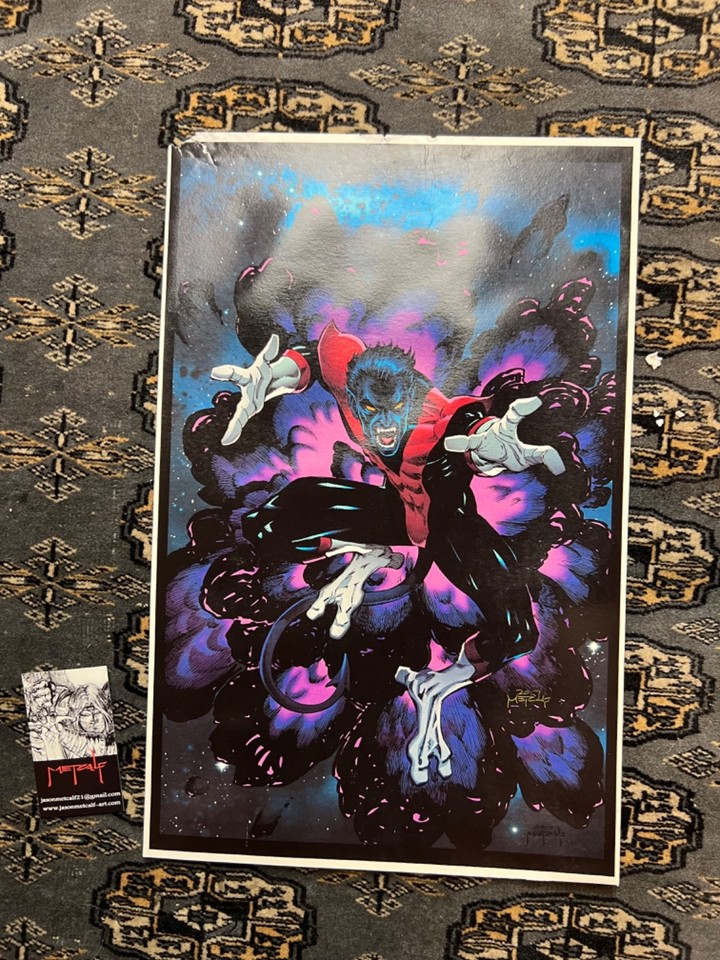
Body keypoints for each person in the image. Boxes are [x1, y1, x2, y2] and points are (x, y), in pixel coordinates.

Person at [211, 321, 566, 783]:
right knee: (270, 519)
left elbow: (469, 427)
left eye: (394, 411)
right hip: (395, 513)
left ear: (411, 403)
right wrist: (276, 374)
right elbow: (316, 355)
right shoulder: (347, 376)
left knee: (517, 629)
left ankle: (442, 681)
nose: (381, 425)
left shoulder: (437, 423)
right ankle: (362, 549)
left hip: (449, 527)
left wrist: (488, 446)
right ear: (355, 396)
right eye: (370, 411)